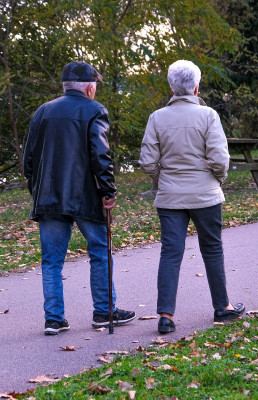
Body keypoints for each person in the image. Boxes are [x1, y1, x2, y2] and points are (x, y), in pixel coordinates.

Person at [23, 61, 135, 335]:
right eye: (95, 85)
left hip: (48, 197)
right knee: (99, 251)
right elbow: (100, 155)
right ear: (89, 87)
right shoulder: (95, 110)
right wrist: (108, 191)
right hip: (85, 196)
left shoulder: (42, 111)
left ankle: (54, 319)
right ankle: (104, 311)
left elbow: (28, 160)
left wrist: (36, 190)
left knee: (51, 260)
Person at [139, 60, 245, 334]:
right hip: (205, 195)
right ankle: (222, 307)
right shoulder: (208, 115)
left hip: (169, 197)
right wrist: (216, 180)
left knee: (171, 253)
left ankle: (165, 315)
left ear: (171, 87)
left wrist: (161, 179)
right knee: (212, 249)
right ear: (196, 87)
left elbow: (148, 162)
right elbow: (220, 159)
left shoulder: (156, 117)